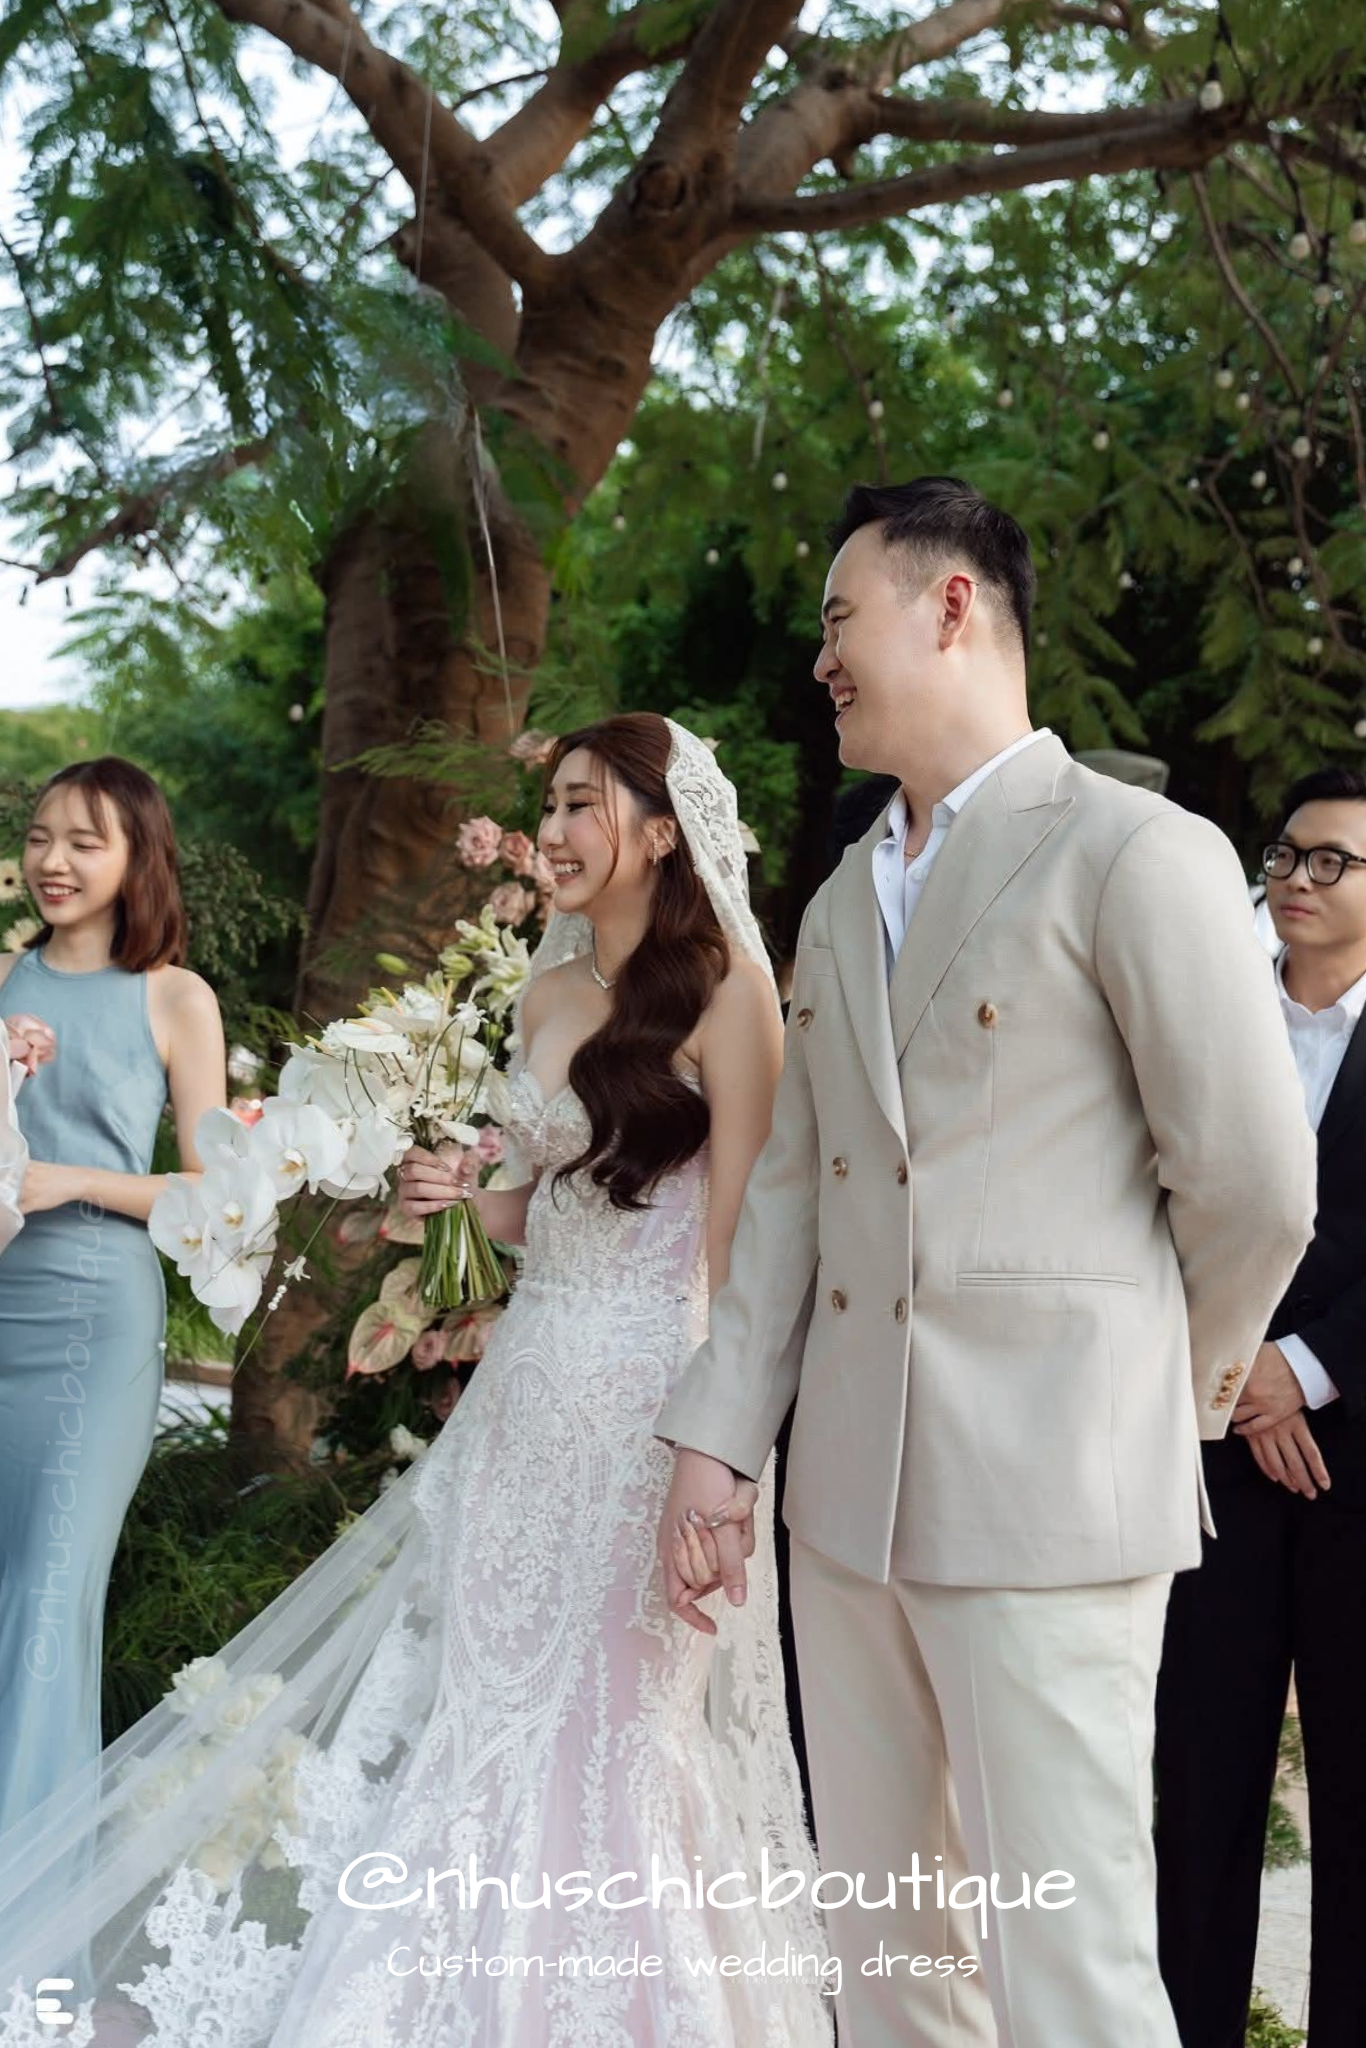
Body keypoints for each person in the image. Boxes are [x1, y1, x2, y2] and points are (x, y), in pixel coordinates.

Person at [0, 716, 830, 2048]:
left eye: (580, 805)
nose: (552, 832)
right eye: (547, 806)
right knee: (484, 1701)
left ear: (663, 829)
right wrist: (453, 1204)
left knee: (620, 1721)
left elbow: (741, 1255)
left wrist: (722, 1459)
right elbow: (540, 1218)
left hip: (651, 1416)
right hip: (523, 1395)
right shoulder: (544, 995)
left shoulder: (731, 996)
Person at [655, 476, 1318, 2048]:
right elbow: (799, 1199)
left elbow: (1249, 1184)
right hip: (845, 1508)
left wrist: (1146, 1395)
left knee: (1067, 1961)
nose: (820, 659)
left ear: (950, 605)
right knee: (887, 1953)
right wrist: (716, 1439)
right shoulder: (836, 901)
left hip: (1052, 1500)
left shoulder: (1132, 849)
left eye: (839, 619)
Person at [1155, 765, 1366, 2048]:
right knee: (1195, 1791)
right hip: (1208, 1453)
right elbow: (1141, 1203)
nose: (1297, 876)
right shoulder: (1204, 1016)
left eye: (1333, 859)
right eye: (1285, 853)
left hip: (1356, 1460)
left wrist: (1313, 1364)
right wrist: (1241, 1374)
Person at [0, 757, 225, 1845]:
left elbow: (216, 1190)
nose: (53, 860)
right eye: (41, 836)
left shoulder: (176, 997)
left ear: (138, 856)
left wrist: (76, 1181)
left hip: (97, 1321)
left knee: (50, 1589)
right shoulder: (3, 978)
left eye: (85, 842)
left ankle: (26, 1902)